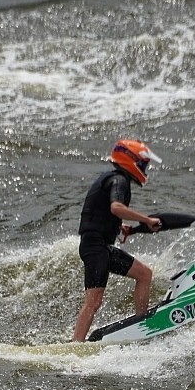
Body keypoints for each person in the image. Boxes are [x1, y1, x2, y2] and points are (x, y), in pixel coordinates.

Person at [71, 139, 163, 342]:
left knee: (144, 274)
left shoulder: (111, 178)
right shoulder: (119, 180)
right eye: (143, 164)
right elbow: (116, 208)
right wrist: (146, 220)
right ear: (131, 160)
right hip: (95, 247)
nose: (144, 168)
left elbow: (98, 211)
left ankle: (141, 325)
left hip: (101, 246)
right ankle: (75, 344)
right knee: (93, 302)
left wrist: (118, 227)